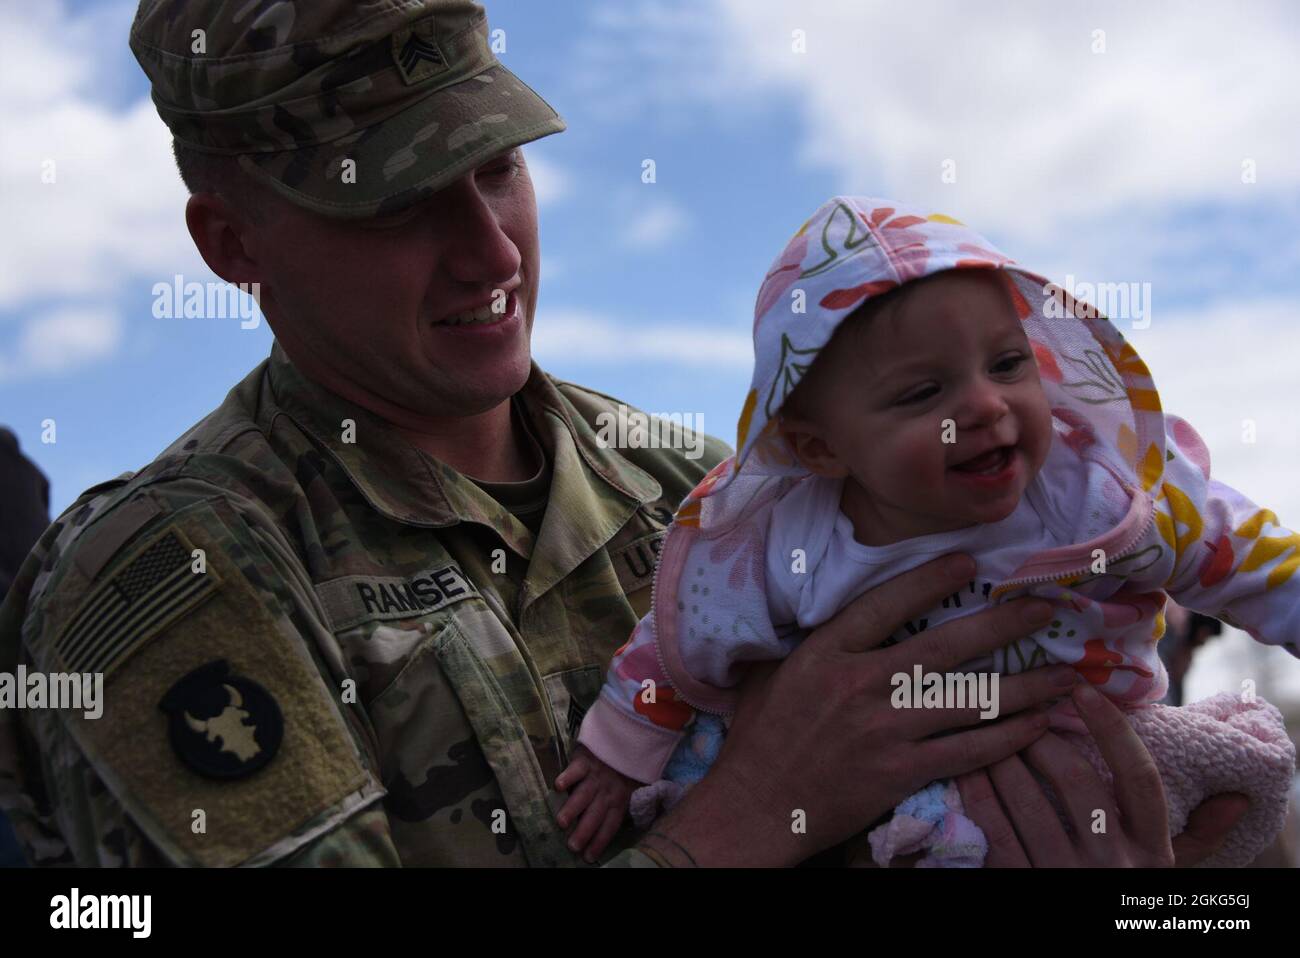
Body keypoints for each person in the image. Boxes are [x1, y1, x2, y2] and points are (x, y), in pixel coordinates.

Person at [0, 2, 1244, 868]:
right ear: (231, 244)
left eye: (494, 168)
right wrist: (748, 820)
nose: (490, 251)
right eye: (393, 203)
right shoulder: (173, 574)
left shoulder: (704, 489)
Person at [557, 197, 1295, 866]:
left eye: (1007, 364)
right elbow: (677, 637)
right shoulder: (781, 543)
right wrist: (624, 748)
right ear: (821, 448)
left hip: (1096, 751)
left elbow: (1237, 548)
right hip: (888, 801)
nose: (983, 405)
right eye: (922, 392)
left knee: (1232, 808)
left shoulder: (1091, 492)